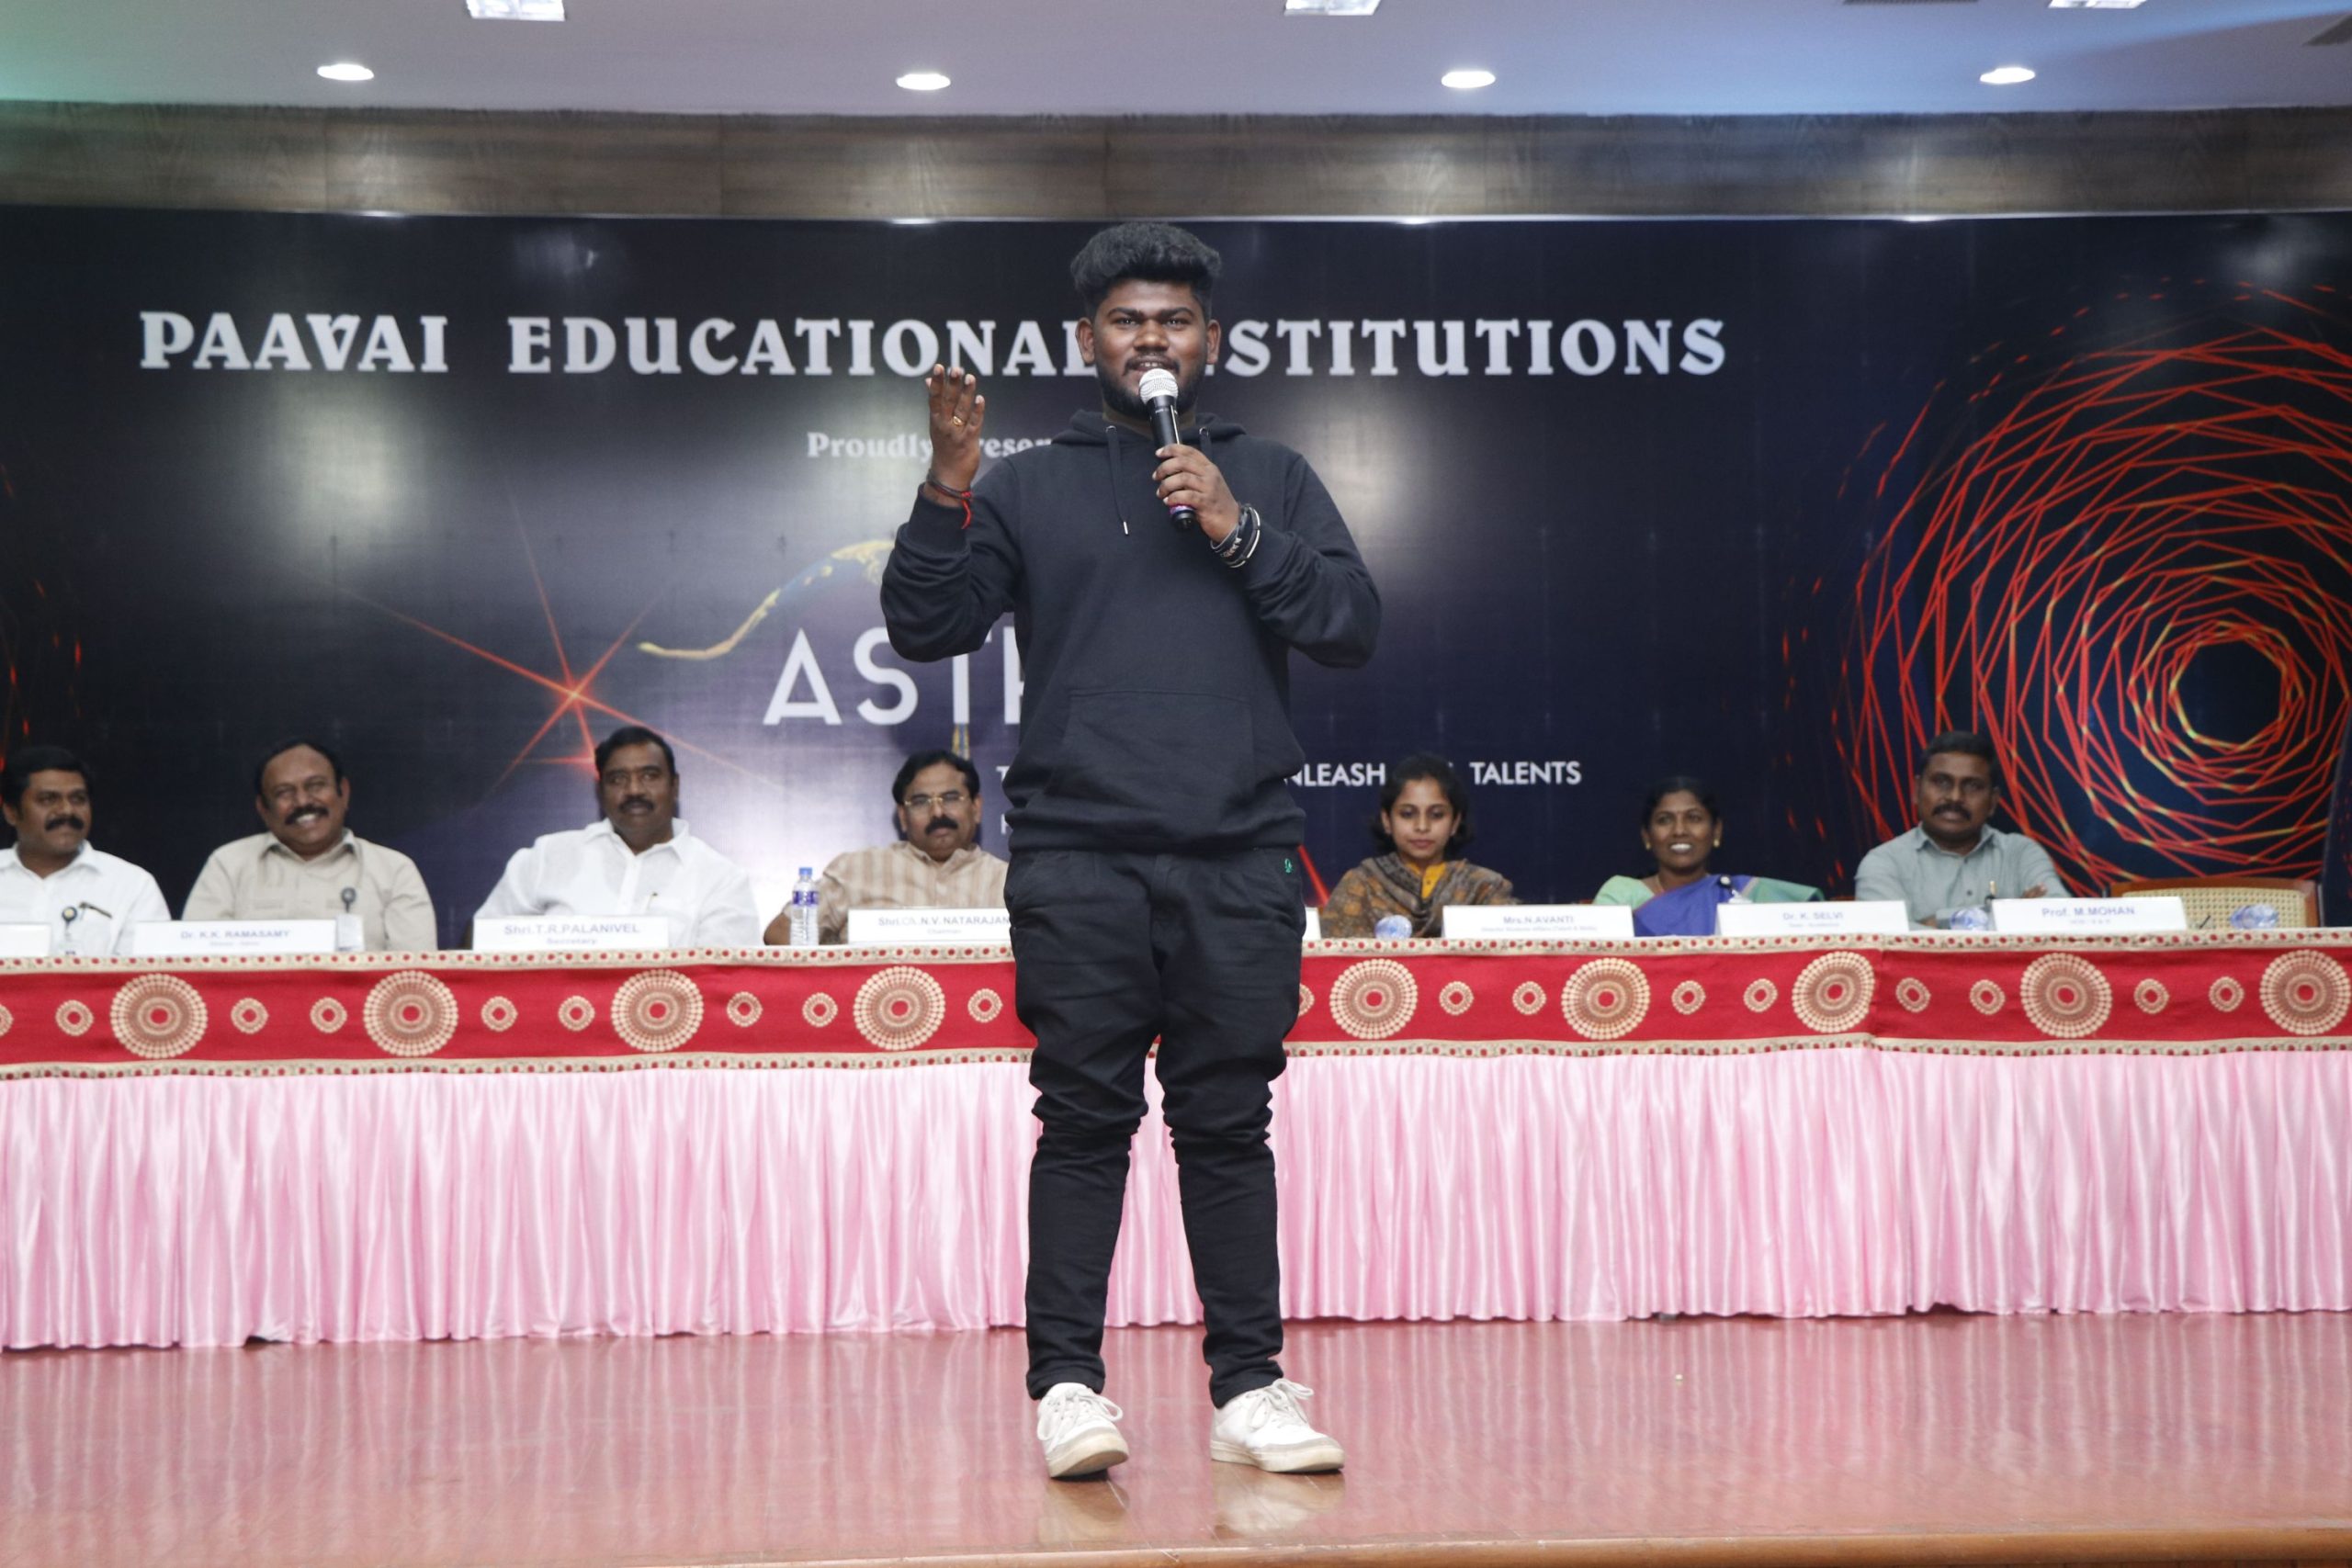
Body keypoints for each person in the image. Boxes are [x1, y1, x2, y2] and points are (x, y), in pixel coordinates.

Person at [881, 221, 1378, 1479]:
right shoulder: (1024, 485)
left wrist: (1235, 525)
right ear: (1086, 339)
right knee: (1083, 1120)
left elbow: (1348, 624)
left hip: (1237, 851)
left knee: (1228, 1122)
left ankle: (1250, 1389)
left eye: (1172, 319)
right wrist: (946, 482)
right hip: (1080, 854)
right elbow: (927, 624)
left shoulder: (1267, 471)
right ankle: (1066, 1388)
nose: (1149, 338)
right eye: (1125, 319)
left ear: (1210, 340)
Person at [474, 725, 759, 947]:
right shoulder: (547, 857)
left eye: (649, 776)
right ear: (600, 791)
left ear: (675, 786)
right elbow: (480, 948)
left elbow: (723, 984)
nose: (634, 790)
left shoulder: (719, 879)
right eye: (618, 779)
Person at [183, 738, 437, 951]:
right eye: (284, 793)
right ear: (263, 809)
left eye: (316, 786)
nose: (303, 801)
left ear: (343, 792)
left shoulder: (393, 871)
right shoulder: (228, 865)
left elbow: (415, 975)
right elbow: (194, 965)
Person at [767, 748, 1008, 946]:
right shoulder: (856, 870)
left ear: (976, 807)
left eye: (951, 798)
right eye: (921, 801)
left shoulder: (1008, 880)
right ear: (903, 816)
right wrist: (836, 980)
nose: (937, 812)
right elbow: (779, 934)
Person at [1854, 730, 2066, 929]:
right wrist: (2010, 917)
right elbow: (1888, 941)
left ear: (1993, 801)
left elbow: (2062, 920)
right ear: (1917, 791)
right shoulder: (1884, 862)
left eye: (1972, 786)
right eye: (1941, 782)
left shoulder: (2020, 853)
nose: (1955, 797)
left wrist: (1933, 924)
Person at [1594, 775, 1820, 936]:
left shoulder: (1740, 893)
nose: (1679, 830)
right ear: (1647, 835)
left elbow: (1815, 924)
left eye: (1694, 818)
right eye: (1664, 820)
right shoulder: (1623, 895)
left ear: (1716, 831)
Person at [1319, 754, 1513, 939]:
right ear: (1387, 820)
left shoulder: (1483, 888)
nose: (1422, 826)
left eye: (1436, 815)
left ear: (1455, 822)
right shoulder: (1361, 885)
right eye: (1407, 814)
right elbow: (1330, 956)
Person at [0, 745, 169, 956]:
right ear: (11, 812)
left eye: (78, 799)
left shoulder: (132, 885)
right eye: (48, 799)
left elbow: (152, 972)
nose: (66, 810)